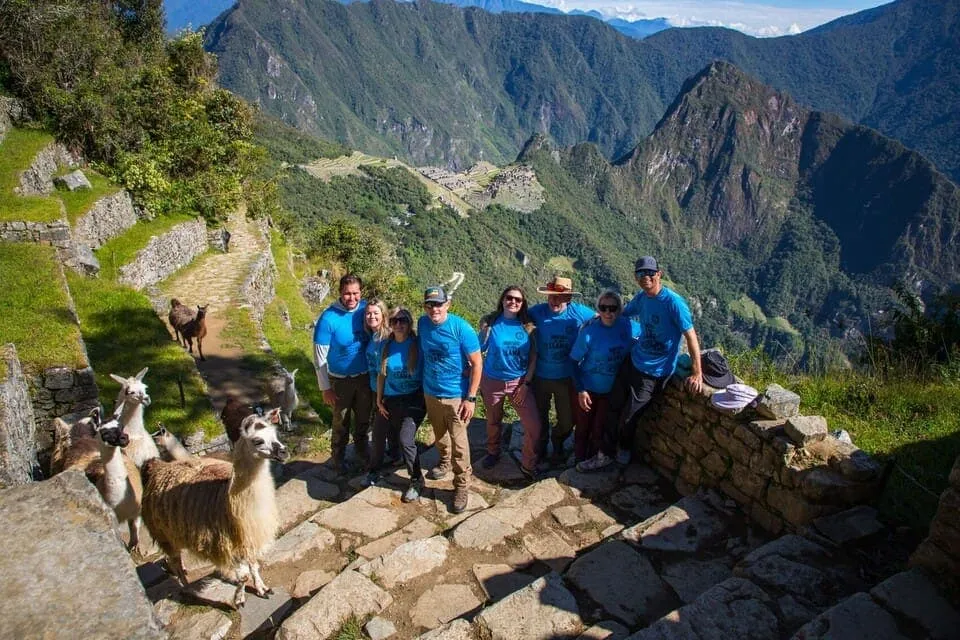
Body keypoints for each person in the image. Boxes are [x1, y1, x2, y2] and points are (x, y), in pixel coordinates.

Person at [577, 257, 703, 472]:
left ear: (659, 274)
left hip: (654, 372)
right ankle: (604, 454)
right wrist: (598, 317)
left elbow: (690, 335)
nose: (645, 277)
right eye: (640, 274)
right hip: (633, 361)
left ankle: (624, 449)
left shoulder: (673, 302)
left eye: (649, 273)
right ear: (636, 278)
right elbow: (622, 312)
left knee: (629, 416)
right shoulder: (643, 298)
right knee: (613, 407)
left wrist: (697, 372)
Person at [418, 285, 482, 513]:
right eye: (429, 304)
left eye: (438, 304)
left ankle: (462, 485)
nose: (434, 308)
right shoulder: (422, 323)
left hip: (456, 395)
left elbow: (476, 364)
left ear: (448, 305)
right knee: (439, 435)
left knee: (460, 444)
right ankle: (444, 462)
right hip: (431, 391)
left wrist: (471, 398)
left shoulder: (461, 328)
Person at [529, 276, 596, 466]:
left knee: (567, 420)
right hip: (540, 376)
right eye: (551, 296)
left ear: (568, 298)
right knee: (539, 417)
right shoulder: (537, 312)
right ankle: (541, 449)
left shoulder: (579, 313)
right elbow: (513, 315)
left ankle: (557, 440)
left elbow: (604, 319)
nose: (554, 300)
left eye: (560, 297)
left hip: (567, 378)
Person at [569, 291, 640, 464]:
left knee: (600, 428)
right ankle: (578, 458)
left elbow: (650, 334)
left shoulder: (627, 326)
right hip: (588, 388)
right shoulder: (589, 331)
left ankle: (593, 459)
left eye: (613, 308)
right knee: (583, 427)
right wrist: (581, 389)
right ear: (598, 309)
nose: (608, 312)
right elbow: (572, 361)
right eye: (603, 308)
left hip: (610, 390)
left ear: (620, 309)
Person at [478, 286, 541, 480]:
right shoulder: (490, 323)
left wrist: (526, 384)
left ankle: (528, 462)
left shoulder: (528, 327)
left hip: (519, 382)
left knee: (533, 426)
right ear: (502, 300)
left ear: (523, 304)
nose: (513, 302)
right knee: (493, 420)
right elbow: (478, 350)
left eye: (518, 300)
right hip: (492, 381)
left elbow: (533, 357)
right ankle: (493, 451)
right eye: (509, 298)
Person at [313, 274, 371, 475]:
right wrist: (325, 388)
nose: (352, 298)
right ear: (340, 293)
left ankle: (362, 451)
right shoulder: (328, 319)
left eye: (355, 293)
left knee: (364, 418)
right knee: (341, 422)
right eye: (347, 294)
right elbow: (319, 358)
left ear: (361, 292)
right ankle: (338, 458)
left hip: (364, 377)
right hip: (340, 380)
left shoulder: (365, 310)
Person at [374, 307, 427, 502]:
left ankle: (416, 480)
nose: (398, 324)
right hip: (392, 397)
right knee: (386, 434)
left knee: (406, 439)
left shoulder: (418, 344)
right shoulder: (386, 346)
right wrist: (379, 400)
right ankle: (377, 468)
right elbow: (382, 374)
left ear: (409, 322)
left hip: (415, 397)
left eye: (402, 320)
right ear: (389, 323)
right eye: (394, 320)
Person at [362, 298, 397, 486]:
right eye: (368, 313)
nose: (371, 316)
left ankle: (374, 471)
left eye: (376, 313)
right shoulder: (373, 336)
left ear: (383, 315)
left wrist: (381, 397)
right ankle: (393, 456)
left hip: (387, 393)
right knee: (388, 429)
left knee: (377, 433)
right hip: (376, 390)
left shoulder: (388, 338)